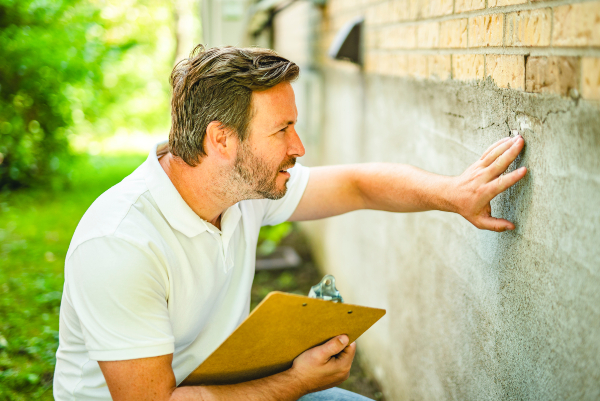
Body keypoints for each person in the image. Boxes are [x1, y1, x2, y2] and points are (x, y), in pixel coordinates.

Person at [53, 45, 527, 401]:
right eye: (282, 129)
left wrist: (452, 193)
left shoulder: (241, 189)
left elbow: (358, 185)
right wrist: (295, 381)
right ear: (222, 140)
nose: (298, 147)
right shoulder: (119, 244)